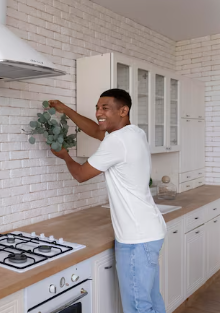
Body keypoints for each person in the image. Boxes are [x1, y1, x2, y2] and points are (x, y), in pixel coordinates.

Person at [49, 89, 167, 313]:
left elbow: (81, 175)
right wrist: (65, 110)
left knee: (138, 308)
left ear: (124, 110)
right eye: (97, 107)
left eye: (105, 108)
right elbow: (95, 130)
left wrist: (65, 156)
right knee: (151, 301)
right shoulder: (134, 133)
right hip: (150, 231)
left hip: (136, 238)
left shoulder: (117, 142)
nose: (98, 112)